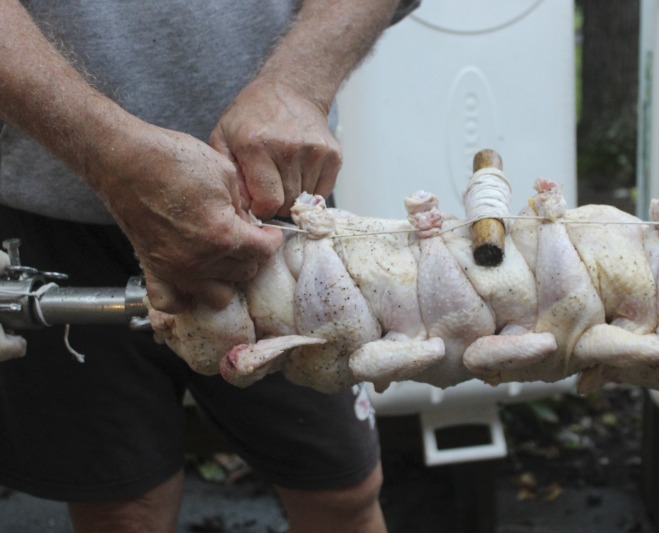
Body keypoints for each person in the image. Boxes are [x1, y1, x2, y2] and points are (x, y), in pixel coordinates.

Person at [0, 1, 419, 531]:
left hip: (277, 217)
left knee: (340, 495)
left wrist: (298, 82)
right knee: (121, 512)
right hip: (58, 208)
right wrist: (103, 151)